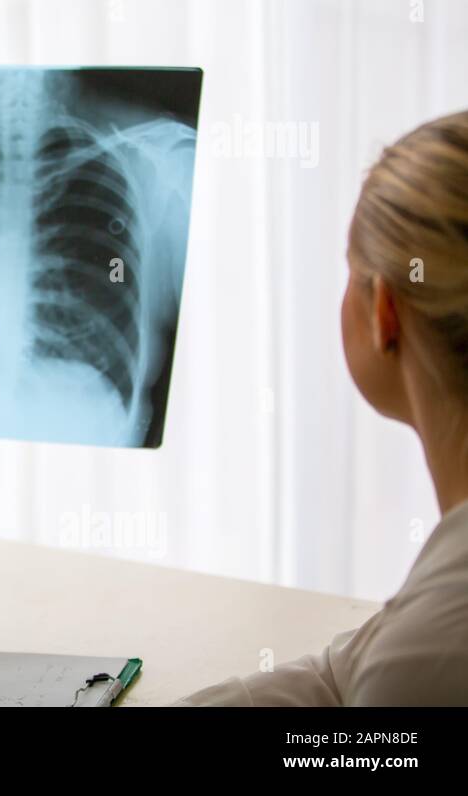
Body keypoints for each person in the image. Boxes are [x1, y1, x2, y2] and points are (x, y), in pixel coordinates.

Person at [181, 110, 468, 705]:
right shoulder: (425, 631)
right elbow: (342, 676)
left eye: (350, 271)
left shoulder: (428, 655)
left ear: (384, 311)